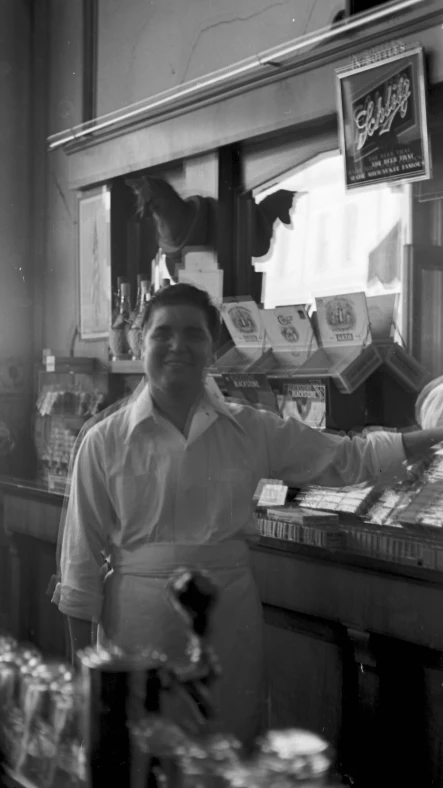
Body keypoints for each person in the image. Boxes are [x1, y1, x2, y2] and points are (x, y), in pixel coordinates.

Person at [54, 284, 443, 746]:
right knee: (140, 760)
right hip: (137, 626)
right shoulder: (104, 442)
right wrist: (88, 680)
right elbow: (79, 573)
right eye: (163, 334)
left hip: (229, 625)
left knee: (229, 755)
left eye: (193, 334)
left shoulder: (250, 429)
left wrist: (433, 434)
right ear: (141, 342)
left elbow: (347, 458)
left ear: (212, 346)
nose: (178, 345)